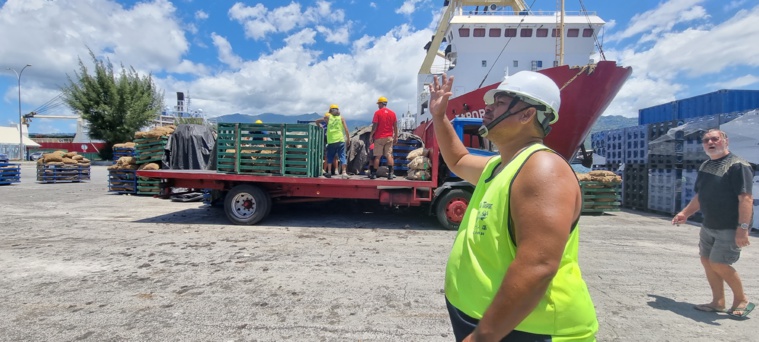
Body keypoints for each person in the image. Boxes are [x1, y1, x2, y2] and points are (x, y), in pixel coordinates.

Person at [429, 71, 598, 341]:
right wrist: (439, 116)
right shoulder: (499, 166)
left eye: (499, 102)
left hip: (527, 330)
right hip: (494, 322)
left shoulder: (543, 169)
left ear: (526, 114)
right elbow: (458, 160)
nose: (488, 108)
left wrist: (484, 335)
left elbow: (538, 265)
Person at [672, 129, 754, 318]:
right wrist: (685, 213)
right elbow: (702, 195)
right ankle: (718, 302)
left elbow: (746, 198)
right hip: (709, 224)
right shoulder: (706, 166)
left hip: (729, 226)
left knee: (719, 263)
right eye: (706, 140)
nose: (710, 142)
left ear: (726, 141)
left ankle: (742, 299)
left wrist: (742, 228)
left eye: (715, 139)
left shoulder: (738, 166)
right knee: (707, 261)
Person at [316, 104, 350, 179]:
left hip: (331, 141)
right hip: (340, 140)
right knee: (342, 156)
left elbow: (317, 121)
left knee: (330, 156)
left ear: (330, 111)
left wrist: (319, 126)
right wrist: (348, 139)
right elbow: (346, 129)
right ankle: (344, 172)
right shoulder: (341, 118)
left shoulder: (328, 118)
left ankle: (329, 172)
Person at [369, 96, 398, 179]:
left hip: (379, 138)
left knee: (378, 156)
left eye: (378, 104)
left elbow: (374, 126)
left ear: (381, 103)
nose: (378, 105)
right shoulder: (393, 113)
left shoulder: (377, 113)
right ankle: (390, 174)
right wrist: (395, 136)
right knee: (389, 155)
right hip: (389, 137)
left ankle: (374, 174)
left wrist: (371, 135)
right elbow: (395, 126)